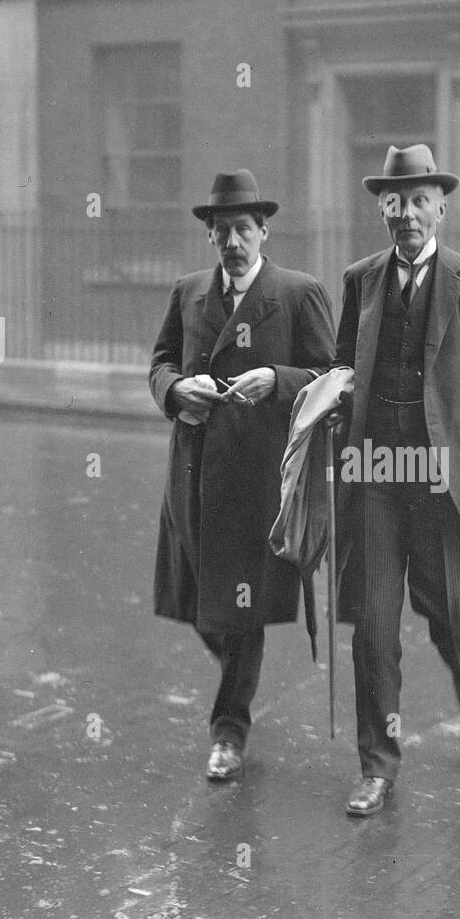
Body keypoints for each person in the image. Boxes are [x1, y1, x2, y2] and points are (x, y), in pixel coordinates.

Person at [331, 144, 460, 816]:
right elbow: (342, 373)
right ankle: (378, 766)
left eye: (419, 200)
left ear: (442, 206)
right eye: (395, 201)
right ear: (383, 210)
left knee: (450, 617)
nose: (407, 213)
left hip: (445, 480)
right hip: (378, 475)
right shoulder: (361, 280)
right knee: (374, 628)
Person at [150, 170, 335, 780]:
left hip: (261, 482)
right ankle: (237, 694)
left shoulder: (298, 293)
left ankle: (228, 732)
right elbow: (159, 363)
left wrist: (279, 380)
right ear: (210, 237)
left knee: (243, 607)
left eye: (244, 230)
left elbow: (335, 377)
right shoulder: (187, 293)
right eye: (222, 231)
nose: (233, 242)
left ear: (264, 231)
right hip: (196, 474)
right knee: (208, 608)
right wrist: (177, 390)